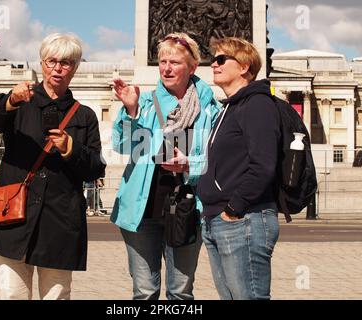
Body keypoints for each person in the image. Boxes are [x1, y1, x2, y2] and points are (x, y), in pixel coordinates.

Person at [0, 33, 105, 300]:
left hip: (59, 221)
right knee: (11, 294)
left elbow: (96, 168)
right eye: (52, 61)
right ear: (42, 63)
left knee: (57, 296)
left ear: (75, 68)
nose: (58, 69)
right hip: (15, 214)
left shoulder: (85, 116)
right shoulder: (20, 102)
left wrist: (70, 149)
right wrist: (10, 101)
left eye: (66, 62)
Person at [111, 32, 220, 300]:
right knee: (144, 292)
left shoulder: (210, 109)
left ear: (193, 66)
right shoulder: (144, 103)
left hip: (186, 209)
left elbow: (220, 160)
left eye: (175, 62)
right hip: (142, 210)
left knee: (181, 292)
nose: (166, 68)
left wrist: (189, 164)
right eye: (162, 61)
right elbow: (124, 145)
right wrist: (131, 112)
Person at [197, 37, 281, 300]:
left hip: (244, 219)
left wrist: (233, 209)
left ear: (244, 67)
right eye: (213, 59)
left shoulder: (257, 104)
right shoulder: (228, 109)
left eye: (221, 59)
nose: (214, 64)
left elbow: (264, 164)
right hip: (217, 220)